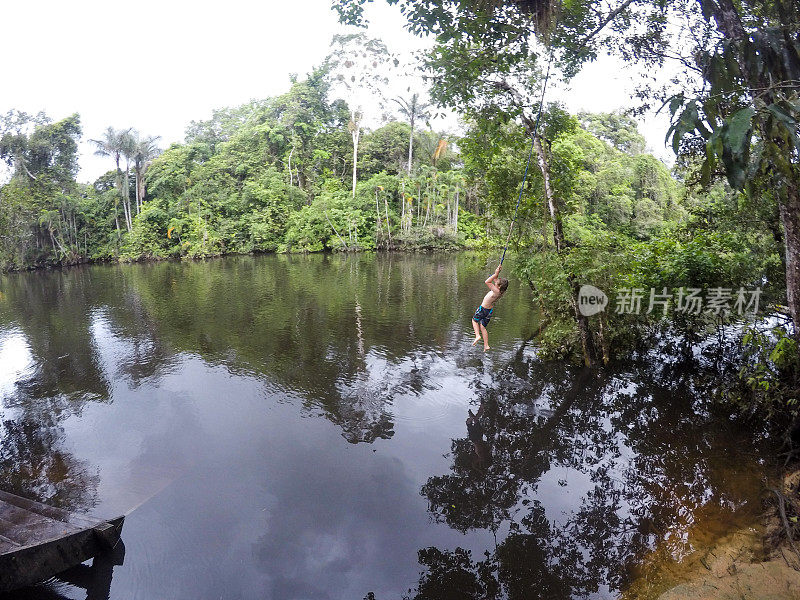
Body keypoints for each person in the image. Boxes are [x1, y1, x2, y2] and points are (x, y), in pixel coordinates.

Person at [471, 264, 508, 351]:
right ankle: (486, 345)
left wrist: (495, 275)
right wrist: (497, 272)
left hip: (483, 309)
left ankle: (477, 335)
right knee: (483, 327)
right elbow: (495, 279)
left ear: (498, 286)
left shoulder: (496, 290)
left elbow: (487, 281)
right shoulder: (500, 291)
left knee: (474, 320)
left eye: (497, 282)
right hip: (489, 311)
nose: (496, 281)